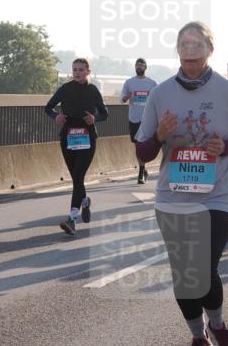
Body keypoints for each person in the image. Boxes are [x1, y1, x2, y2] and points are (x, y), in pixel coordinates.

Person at [135, 22, 228, 346]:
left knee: (203, 268)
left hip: (217, 195)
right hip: (173, 196)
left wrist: (226, 147)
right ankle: (197, 337)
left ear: (209, 49)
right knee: (184, 275)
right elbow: (143, 154)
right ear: (177, 49)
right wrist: (159, 135)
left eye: (197, 43)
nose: (190, 49)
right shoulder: (160, 93)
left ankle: (217, 326)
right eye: (184, 43)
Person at [45, 58, 108, 235]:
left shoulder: (93, 90)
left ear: (88, 71)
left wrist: (94, 118)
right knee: (76, 178)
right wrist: (55, 117)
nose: (77, 72)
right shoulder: (65, 89)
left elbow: (105, 114)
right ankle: (85, 200)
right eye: (74, 70)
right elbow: (48, 107)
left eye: (81, 69)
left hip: (87, 137)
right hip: (68, 137)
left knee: (79, 175)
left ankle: (72, 218)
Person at [121, 57, 157, 184]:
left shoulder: (152, 83)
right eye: (137, 65)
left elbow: (158, 100)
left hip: (148, 119)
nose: (139, 67)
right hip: (134, 118)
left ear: (145, 67)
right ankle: (142, 170)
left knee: (146, 144)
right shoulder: (129, 83)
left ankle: (142, 170)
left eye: (141, 65)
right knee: (137, 146)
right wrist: (127, 96)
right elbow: (122, 99)